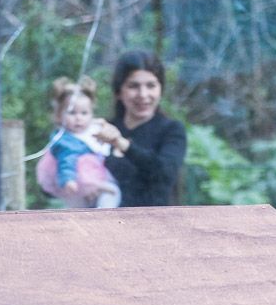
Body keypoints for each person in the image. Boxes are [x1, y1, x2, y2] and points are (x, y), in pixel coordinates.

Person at [97, 50, 187, 207]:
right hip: (98, 225)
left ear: (161, 89)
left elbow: (165, 173)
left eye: (151, 86)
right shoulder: (103, 129)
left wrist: (121, 143)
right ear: (119, 91)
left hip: (154, 226)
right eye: (133, 86)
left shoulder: (171, 130)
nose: (143, 94)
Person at [36, 75, 121, 209]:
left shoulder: (93, 130)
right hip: (76, 180)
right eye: (71, 113)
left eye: (84, 113)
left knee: (111, 195)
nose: (78, 118)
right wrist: (68, 180)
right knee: (79, 207)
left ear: (92, 114)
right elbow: (66, 161)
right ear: (59, 115)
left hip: (96, 175)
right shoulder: (65, 141)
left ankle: (104, 214)